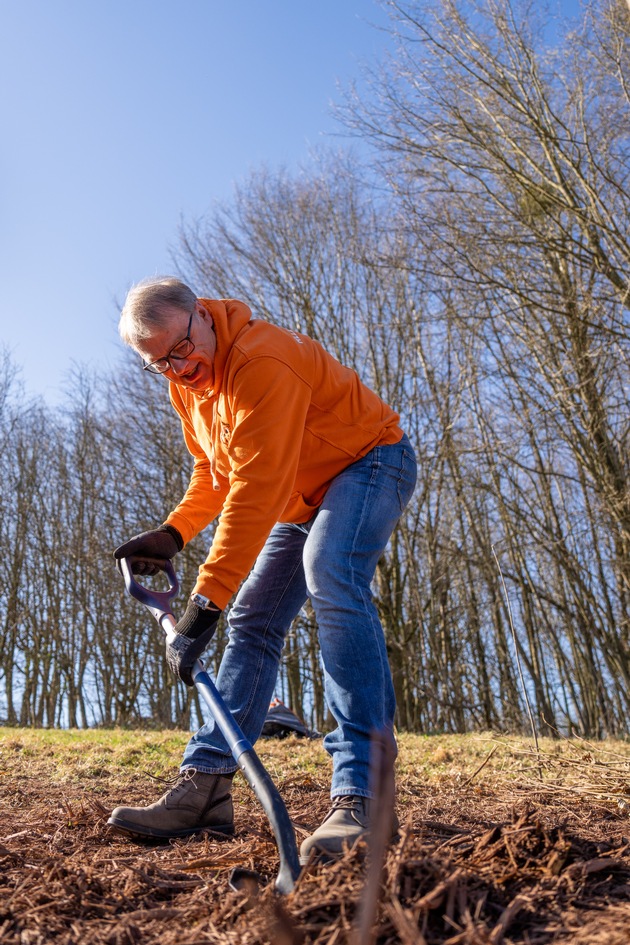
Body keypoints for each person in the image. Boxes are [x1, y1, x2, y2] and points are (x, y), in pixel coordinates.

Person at [108, 277, 417, 864]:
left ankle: (364, 791)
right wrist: (174, 533)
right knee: (253, 617)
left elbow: (254, 487)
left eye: (180, 350)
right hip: (301, 495)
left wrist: (205, 602)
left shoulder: (261, 359)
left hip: (369, 461)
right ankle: (206, 786)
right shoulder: (190, 386)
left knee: (331, 574)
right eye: (159, 365)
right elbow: (214, 471)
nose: (178, 369)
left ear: (201, 315)